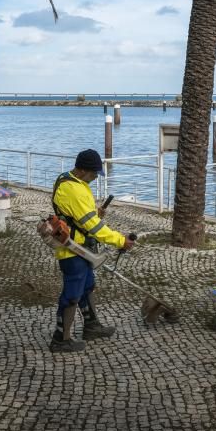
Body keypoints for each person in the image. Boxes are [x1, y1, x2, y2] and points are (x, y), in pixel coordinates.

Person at [50, 149, 136, 353]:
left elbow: (77, 214)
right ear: (80, 170)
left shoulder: (71, 181)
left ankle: (91, 326)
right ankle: (61, 339)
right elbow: (93, 227)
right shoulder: (74, 189)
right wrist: (120, 241)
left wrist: (94, 213)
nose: (96, 177)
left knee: (87, 286)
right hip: (73, 250)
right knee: (72, 294)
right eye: (93, 173)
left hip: (82, 248)